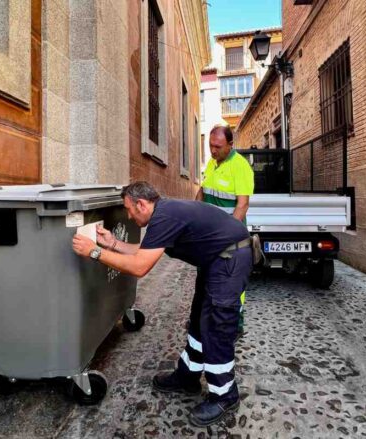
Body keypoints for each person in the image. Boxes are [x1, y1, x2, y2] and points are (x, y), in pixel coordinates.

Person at [72, 181, 253, 427]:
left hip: (229, 261)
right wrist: (111, 243)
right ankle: (187, 376)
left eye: (128, 209)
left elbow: (139, 267)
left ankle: (225, 395)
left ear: (142, 204)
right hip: (216, 259)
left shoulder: (165, 217)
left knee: (217, 327)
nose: (128, 215)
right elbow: (146, 250)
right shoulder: (164, 213)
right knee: (200, 319)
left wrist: (94, 252)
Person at [196, 125, 254, 338]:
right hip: (209, 237)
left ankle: (235, 325)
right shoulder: (211, 163)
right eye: (210, 145)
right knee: (207, 279)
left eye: (218, 146)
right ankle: (204, 322)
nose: (213, 150)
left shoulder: (240, 166)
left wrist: (226, 236)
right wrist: (193, 216)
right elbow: (203, 192)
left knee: (231, 284)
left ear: (231, 144)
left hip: (229, 239)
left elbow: (242, 205)